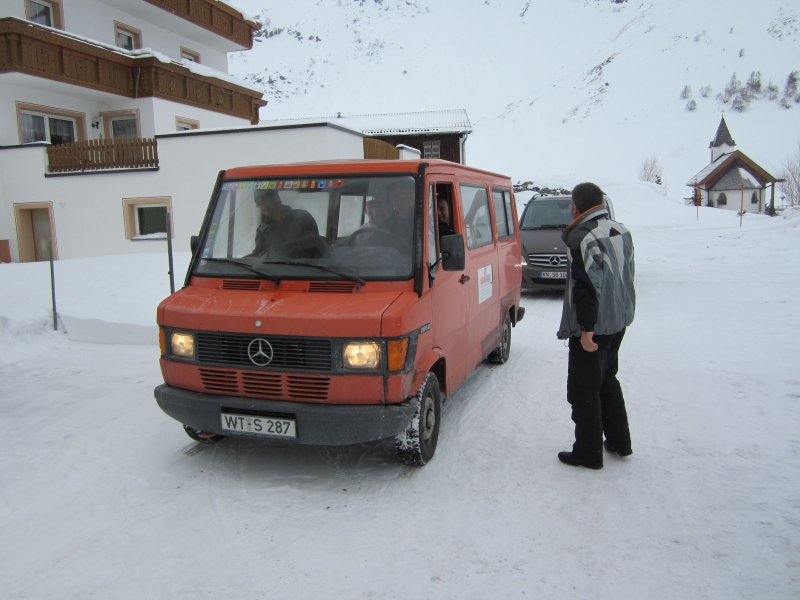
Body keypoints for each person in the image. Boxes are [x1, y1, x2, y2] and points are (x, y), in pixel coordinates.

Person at [556, 182, 636, 470]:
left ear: (576, 207)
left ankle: (588, 453)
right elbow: (627, 273)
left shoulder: (583, 237)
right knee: (607, 380)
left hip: (596, 327)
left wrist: (586, 328)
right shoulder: (619, 229)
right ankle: (619, 442)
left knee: (583, 389)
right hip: (619, 320)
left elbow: (587, 286)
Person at [251, 189, 319, 258]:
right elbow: (259, 255)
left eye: (264, 200)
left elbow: (312, 249)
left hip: (305, 267)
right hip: (274, 268)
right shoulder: (262, 229)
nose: (262, 205)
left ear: (276, 197)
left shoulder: (303, 217)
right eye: (259, 204)